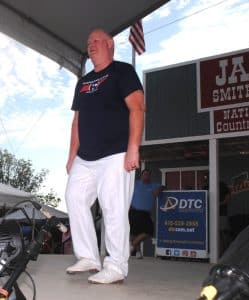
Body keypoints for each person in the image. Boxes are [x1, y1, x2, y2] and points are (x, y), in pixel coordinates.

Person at [65, 28, 145, 284]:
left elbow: (137, 107)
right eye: (88, 42)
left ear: (110, 44)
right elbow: (76, 121)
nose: (90, 45)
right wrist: (71, 155)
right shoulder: (83, 81)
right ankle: (88, 256)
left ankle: (116, 266)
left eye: (96, 41)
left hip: (116, 152)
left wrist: (134, 147)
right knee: (74, 197)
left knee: (114, 208)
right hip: (85, 156)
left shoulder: (122, 71)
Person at [129, 169, 164, 259]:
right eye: (144, 174)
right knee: (134, 234)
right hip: (134, 211)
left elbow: (164, 186)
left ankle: (131, 245)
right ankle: (138, 253)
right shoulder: (135, 184)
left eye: (148, 175)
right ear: (141, 176)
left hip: (145, 213)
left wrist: (159, 189)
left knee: (149, 231)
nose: (146, 176)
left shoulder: (153, 185)